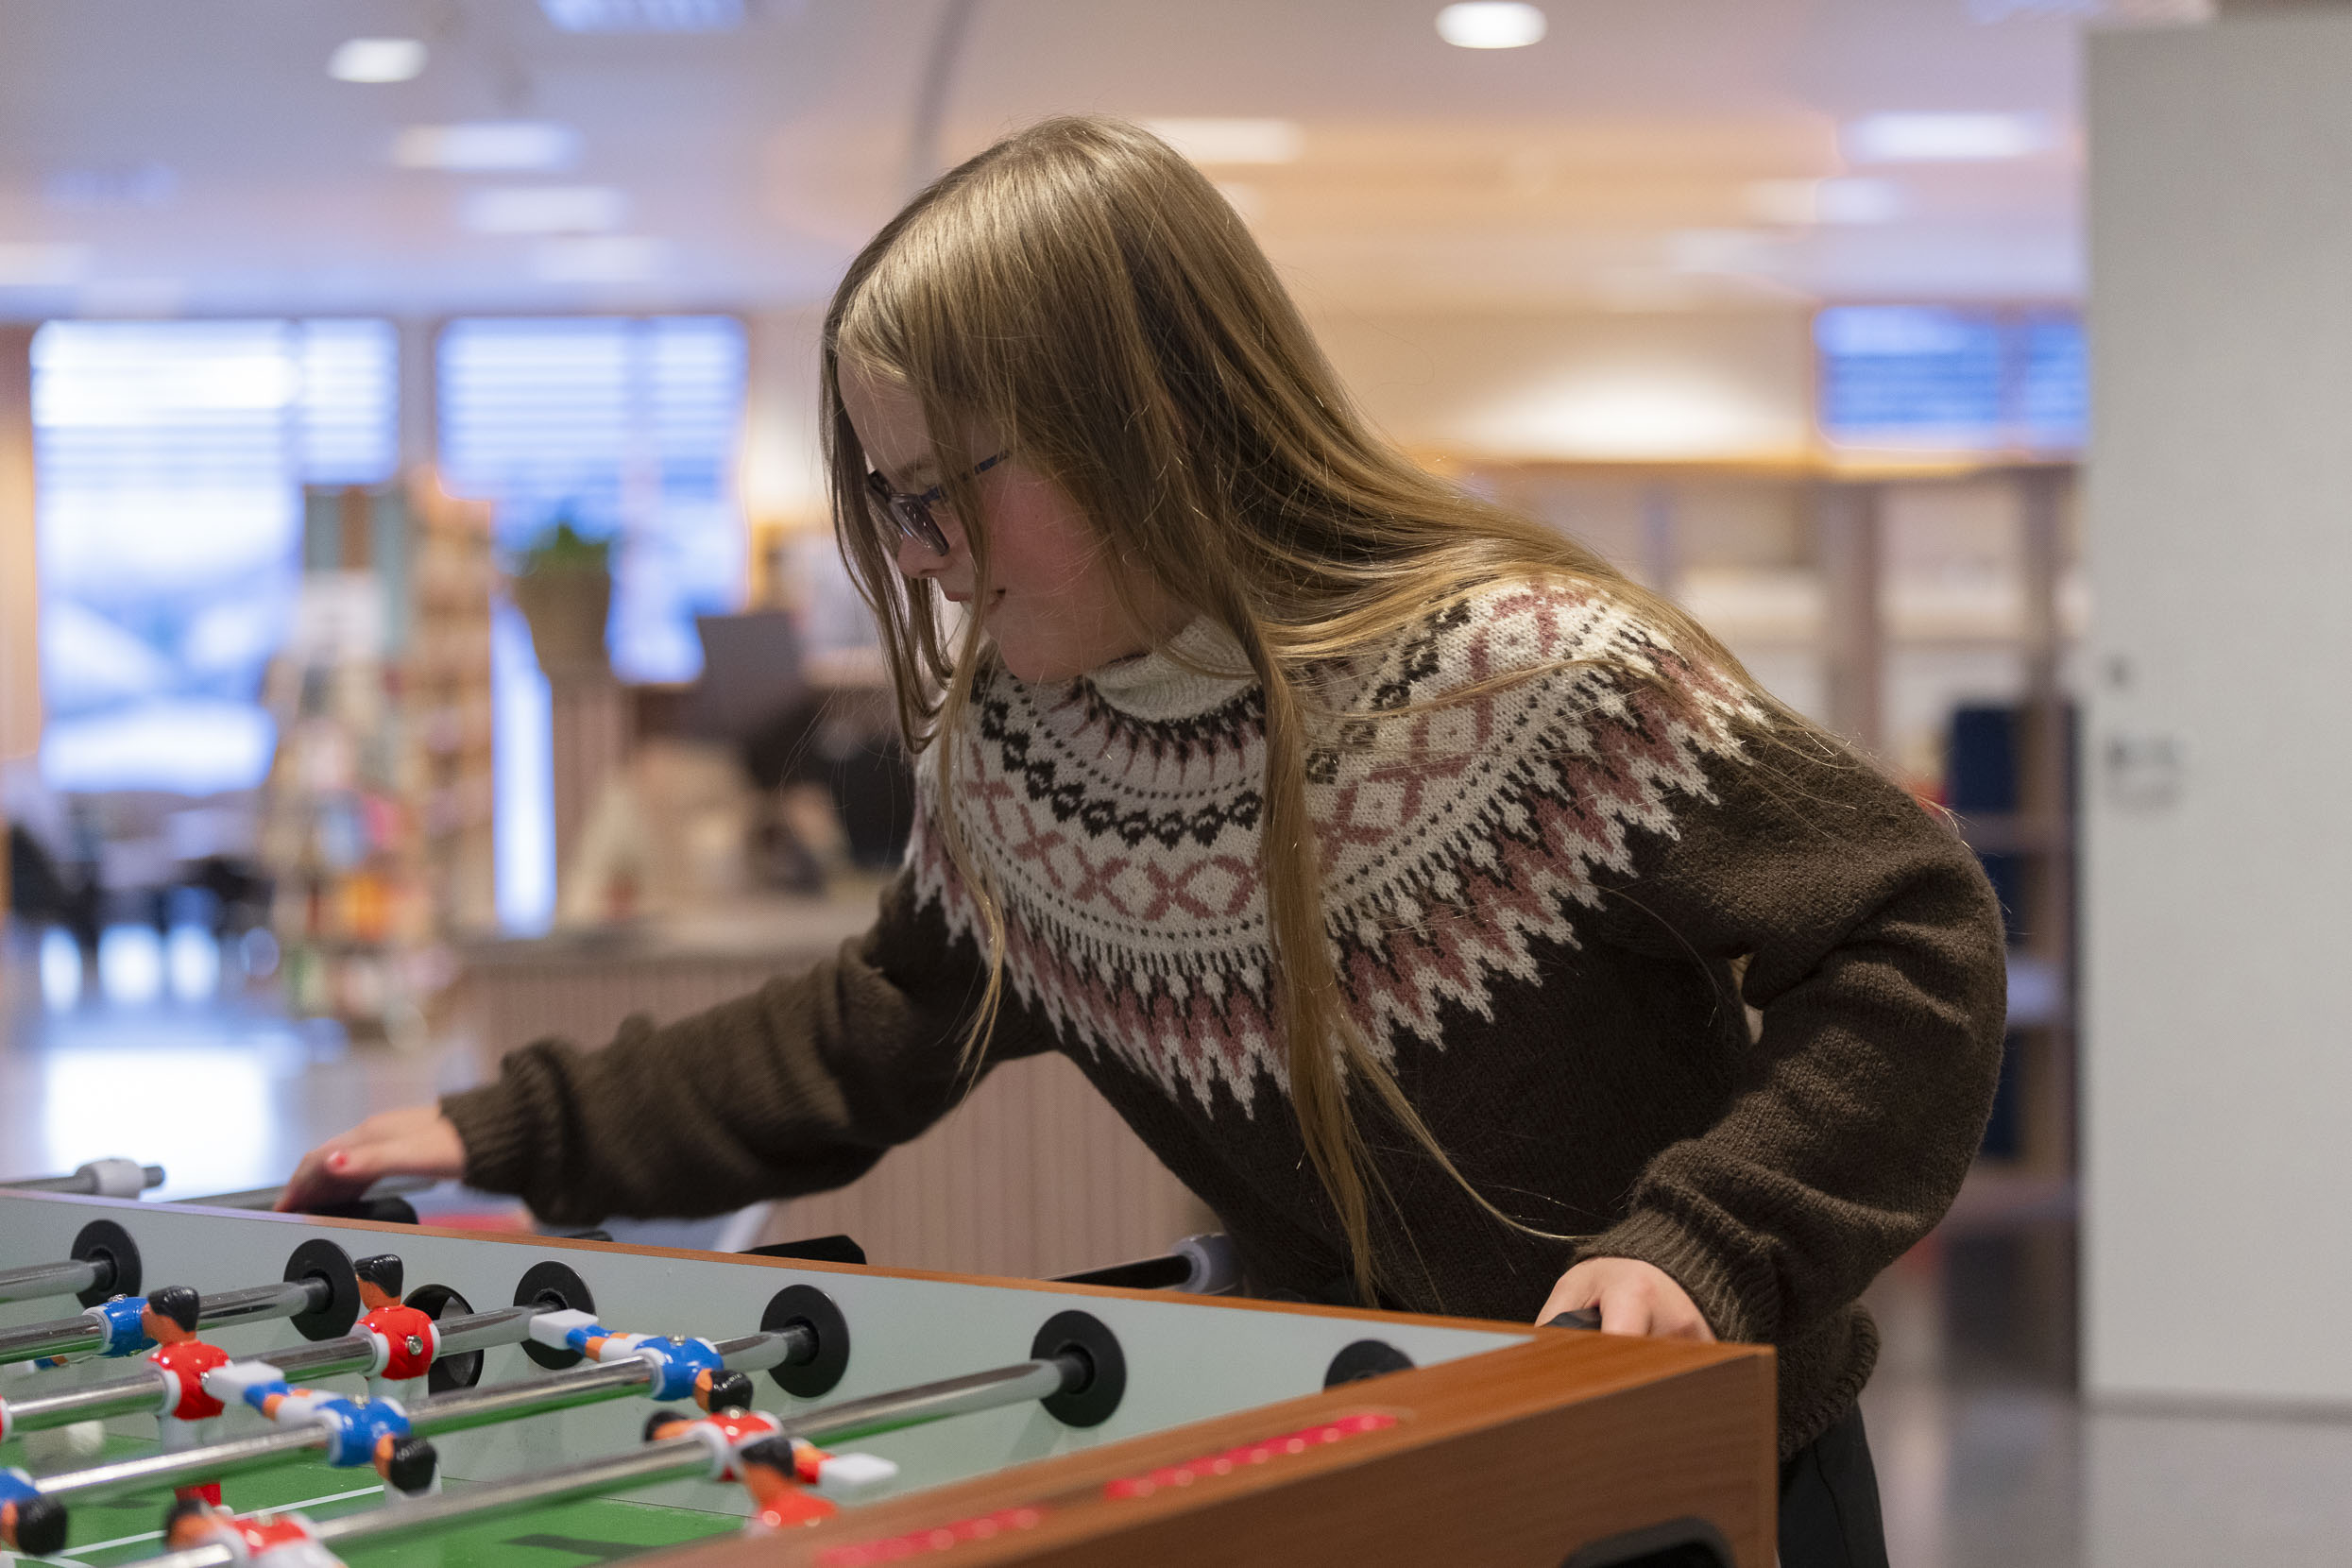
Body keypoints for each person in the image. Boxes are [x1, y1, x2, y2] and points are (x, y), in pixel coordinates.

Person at [281, 115, 2004, 1568]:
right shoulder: (1016, 755)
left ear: (1145, 418)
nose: (924, 550)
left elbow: (1908, 933)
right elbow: (869, 1029)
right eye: (887, 499)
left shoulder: (1533, 678)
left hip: (1686, 1486)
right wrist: (511, 1124)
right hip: (1364, 1461)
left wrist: (1703, 1242)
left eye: (943, 486)